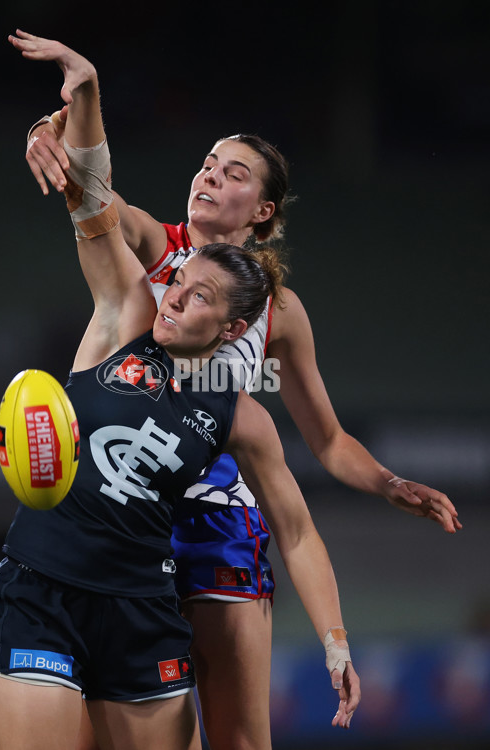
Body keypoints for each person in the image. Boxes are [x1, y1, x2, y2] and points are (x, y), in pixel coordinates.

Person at [24, 35, 461, 750]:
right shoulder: (150, 242)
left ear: (263, 211)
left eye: (232, 174)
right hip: (127, 516)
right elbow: (91, 193)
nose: (208, 178)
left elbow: (326, 441)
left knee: (240, 741)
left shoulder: (279, 311)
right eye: (205, 165)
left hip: (218, 525)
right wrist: (48, 128)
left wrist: (386, 482)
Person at [0, 30, 361, 750]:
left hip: (143, 608)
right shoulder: (126, 313)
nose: (174, 297)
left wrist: (336, 640)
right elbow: (89, 193)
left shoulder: (240, 417)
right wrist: (84, 94)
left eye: (199, 295)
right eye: (178, 282)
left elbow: (298, 530)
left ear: (235, 325)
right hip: (42, 587)